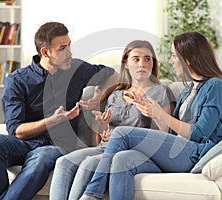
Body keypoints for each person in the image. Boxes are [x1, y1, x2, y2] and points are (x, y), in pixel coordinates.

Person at [79, 31, 222, 200]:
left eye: (173, 56)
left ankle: (92, 194)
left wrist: (161, 115)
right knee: (122, 160)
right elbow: (172, 134)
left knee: (121, 133)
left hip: (197, 153)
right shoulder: (187, 91)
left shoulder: (216, 86)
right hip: (177, 151)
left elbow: (199, 133)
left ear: (188, 59)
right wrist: (153, 113)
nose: (171, 61)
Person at [0, 21, 118, 200]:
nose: (70, 53)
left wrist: (101, 97)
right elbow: (16, 130)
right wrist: (53, 120)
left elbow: (113, 74)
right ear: (45, 52)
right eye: (62, 48)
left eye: (69, 46)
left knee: (42, 156)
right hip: (24, 144)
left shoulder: (77, 69)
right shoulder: (17, 80)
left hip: (58, 146)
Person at [49, 40, 176, 200]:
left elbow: (167, 134)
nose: (142, 64)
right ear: (126, 63)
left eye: (147, 59)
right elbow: (102, 139)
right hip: (106, 148)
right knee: (63, 162)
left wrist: (153, 112)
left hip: (135, 152)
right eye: (136, 59)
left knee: (88, 164)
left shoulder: (161, 92)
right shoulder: (116, 95)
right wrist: (102, 126)